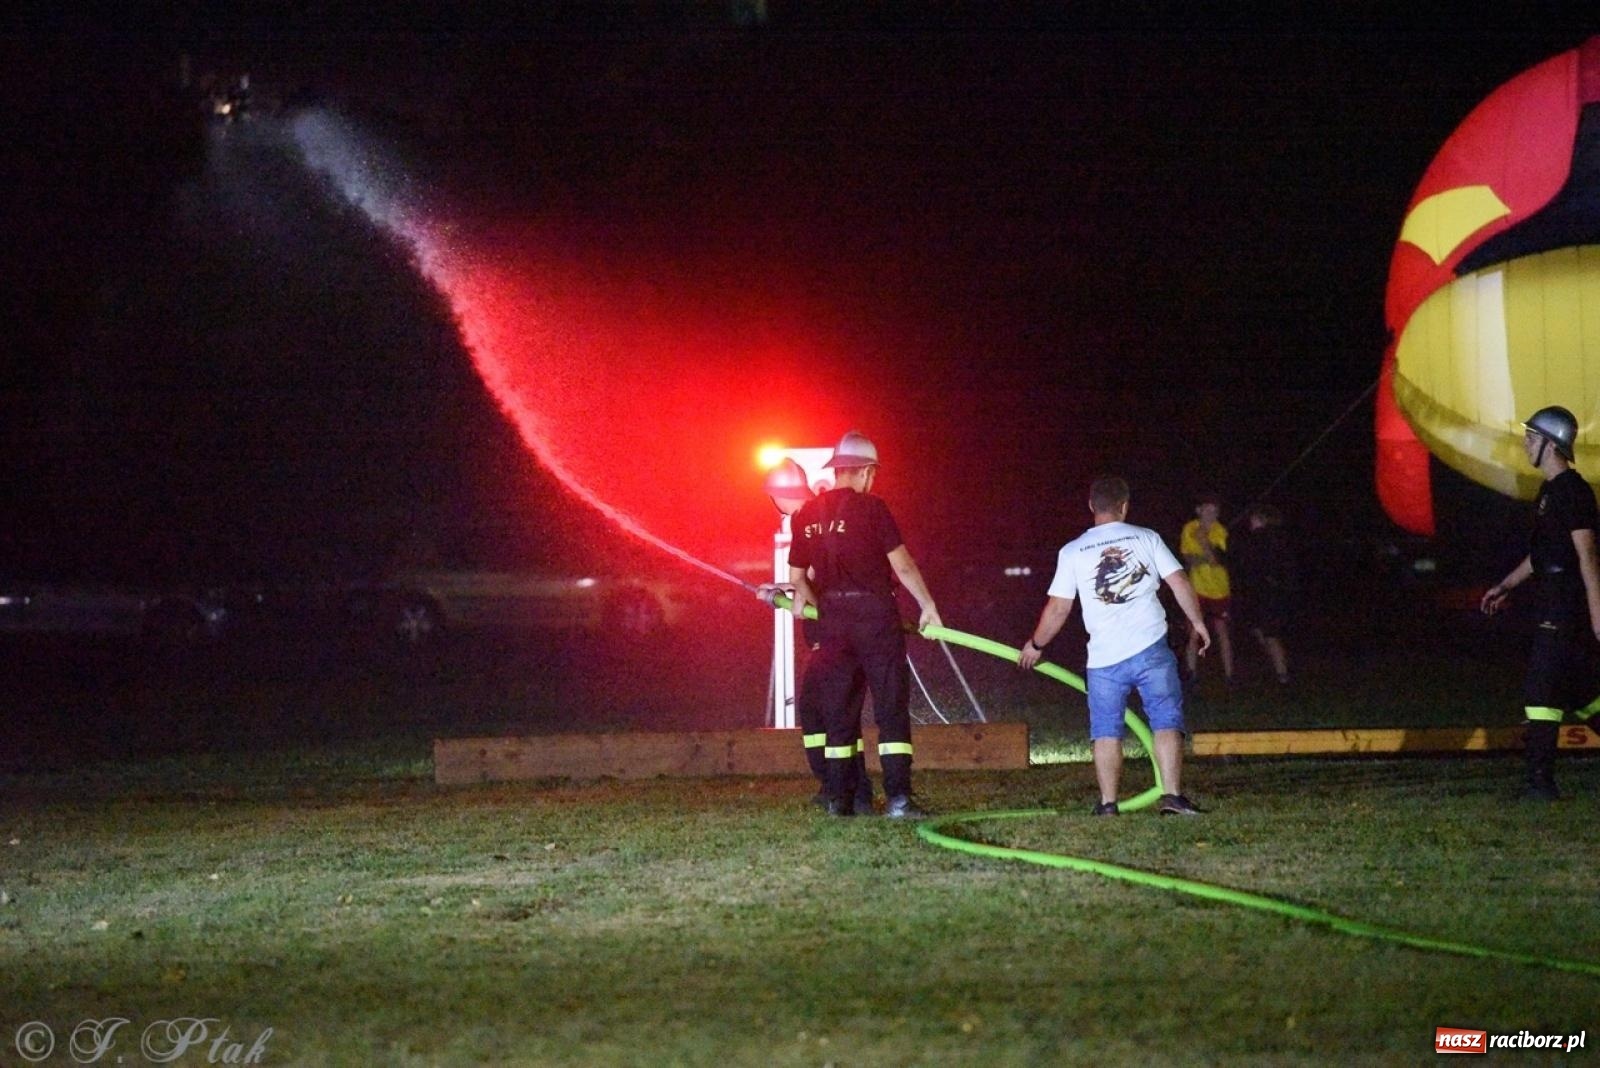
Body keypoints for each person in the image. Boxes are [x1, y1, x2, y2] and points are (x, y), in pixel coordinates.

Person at [1018, 477, 1210, 816]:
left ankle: (1108, 803)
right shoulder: (1147, 537)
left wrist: (1036, 644)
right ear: (1124, 506)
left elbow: (1058, 608)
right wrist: (1197, 622)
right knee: (1165, 719)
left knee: (1106, 730)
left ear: (1092, 506)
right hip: (1151, 648)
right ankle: (1172, 796)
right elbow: (1179, 581)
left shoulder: (1073, 550)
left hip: (1104, 659)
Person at [787, 430, 942, 819]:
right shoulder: (873, 508)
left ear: (836, 470)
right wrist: (927, 605)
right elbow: (902, 565)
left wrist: (816, 603)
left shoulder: (806, 515)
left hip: (832, 623)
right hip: (875, 618)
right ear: (865, 471)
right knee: (890, 708)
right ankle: (899, 800)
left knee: (839, 713)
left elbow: (796, 577)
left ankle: (840, 800)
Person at [1479, 405, 1600, 801]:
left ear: (1551, 444)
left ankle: (1540, 783)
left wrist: (1597, 614)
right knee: (1581, 694)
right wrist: (1505, 585)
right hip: (1549, 602)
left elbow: (1587, 555)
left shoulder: (1574, 492)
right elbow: (1541, 554)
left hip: (1565, 605)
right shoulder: (1548, 493)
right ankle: (1539, 781)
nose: (1526, 444)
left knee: (1541, 692)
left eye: (1531, 438)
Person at [1232, 504, 1296, 685]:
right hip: (1266, 593)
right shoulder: (1275, 538)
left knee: (1270, 633)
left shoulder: (1262, 538)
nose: (1250, 521)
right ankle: (1278, 667)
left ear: (1261, 519)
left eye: (1253, 518)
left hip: (1266, 593)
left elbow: (1245, 561)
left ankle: (1282, 674)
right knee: (1260, 630)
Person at [1179, 493, 1235, 687]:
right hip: (1197, 589)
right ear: (1199, 510)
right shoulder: (1189, 528)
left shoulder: (1221, 531)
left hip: (1220, 590)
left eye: (1215, 511)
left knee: (1222, 632)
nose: (1212, 514)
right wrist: (1206, 554)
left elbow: (1217, 559)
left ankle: (1229, 676)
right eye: (1208, 510)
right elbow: (1189, 559)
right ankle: (1191, 674)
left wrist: (1203, 542)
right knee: (1193, 633)